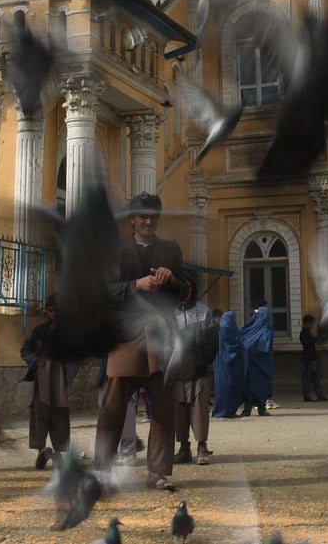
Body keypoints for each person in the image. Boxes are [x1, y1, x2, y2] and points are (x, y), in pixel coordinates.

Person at [92, 192, 189, 493]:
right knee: (113, 407)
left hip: (161, 338)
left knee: (162, 408)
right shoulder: (116, 251)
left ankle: (157, 473)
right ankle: (102, 471)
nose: (149, 220)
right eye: (142, 216)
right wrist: (135, 285)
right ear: (132, 220)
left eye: (153, 215)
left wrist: (172, 280)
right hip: (126, 338)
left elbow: (188, 293)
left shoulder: (171, 251)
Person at [20, 294, 76, 470]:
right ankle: (42, 451)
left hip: (59, 378)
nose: (54, 314)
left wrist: (69, 375)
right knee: (40, 413)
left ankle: (58, 452)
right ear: (47, 312)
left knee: (60, 413)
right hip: (42, 378)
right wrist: (36, 363)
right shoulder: (39, 332)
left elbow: (75, 357)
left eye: (58, 311)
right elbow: (26, 350)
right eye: (51, 311)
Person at [171, 274, 218, 465]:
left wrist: (203, 359)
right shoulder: (168, 312)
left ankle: (201, 447)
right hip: (176, 370)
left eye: (189, 288)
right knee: (178, 411)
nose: (186, 292)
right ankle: (184, 448)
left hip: (197, 369)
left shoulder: (203, 312)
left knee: (199, 409)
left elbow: (212, 340)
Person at [237, 299, 275, 416]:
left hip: (257, 365)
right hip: (257, 366)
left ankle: (252, 410)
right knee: (254, 388)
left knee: (254, 387)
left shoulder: (251, 329)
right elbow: (265, 346)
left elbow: (244, 342)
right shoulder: (265, 330)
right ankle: (256, 410)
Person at [210, 310, 245, 419]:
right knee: (230, 388)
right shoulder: (231, 330)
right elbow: (238, 347)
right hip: (232, 367)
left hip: (221, 366)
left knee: (222, 388)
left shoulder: (221, 329)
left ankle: (223, 410)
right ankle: (228, 411)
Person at [299, 314, 328, 402]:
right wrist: (314, 339)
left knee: (316, 377)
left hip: (312, 357)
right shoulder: (304, 333)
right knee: (307, 378)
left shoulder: (307, 332)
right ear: (307, 323)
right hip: (308, 358)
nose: (312, 325)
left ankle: (320, 394)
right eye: (311, 323)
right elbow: (307, 344)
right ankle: (307, 395)